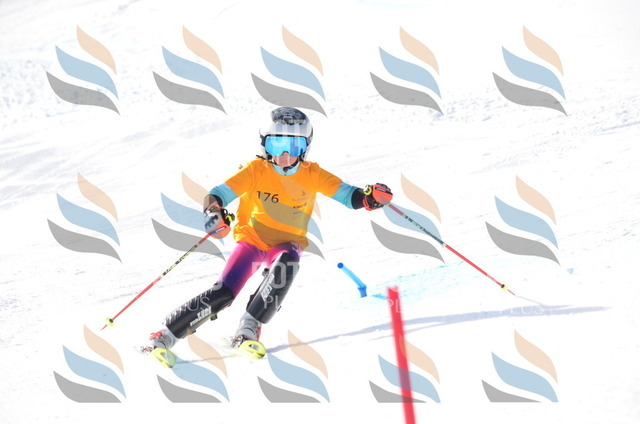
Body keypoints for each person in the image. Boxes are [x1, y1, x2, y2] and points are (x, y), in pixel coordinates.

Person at [144, 107, 393, 360]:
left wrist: (370, 198)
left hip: (286, 244)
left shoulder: (313, 174)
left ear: (305, 148)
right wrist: (215, 213)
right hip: (251, 241)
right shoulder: (255, 170)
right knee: (224, 293)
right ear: (264, 144)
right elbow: (217, 195)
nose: (284, 155)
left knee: (287, 264)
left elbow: (350, 196)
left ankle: (248, 330)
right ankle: (164, 336)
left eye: (293, 147)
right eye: (276, 145)